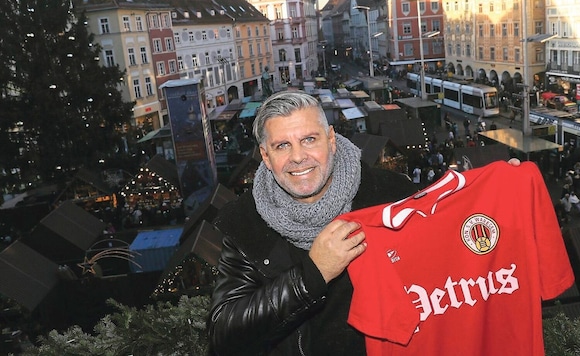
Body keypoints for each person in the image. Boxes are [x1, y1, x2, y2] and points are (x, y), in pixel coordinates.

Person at [206, 90, 520, 355]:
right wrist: (312, 275)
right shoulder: (245, 223)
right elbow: (224, 336)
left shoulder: (390, 194)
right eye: (282, 145)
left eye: (309, 139)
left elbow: (453, 251)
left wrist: (497, 200)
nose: (298, 157)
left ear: (330, 140)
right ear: (265, 155)